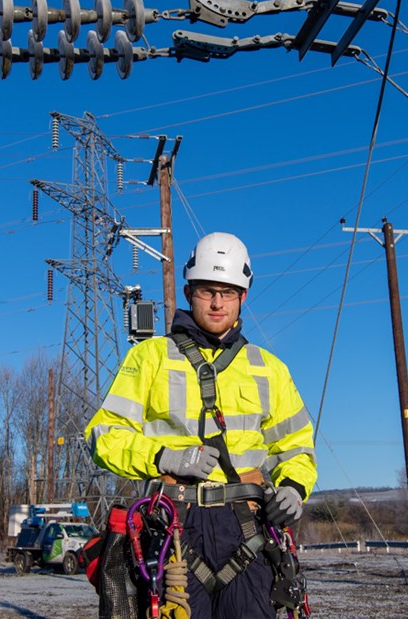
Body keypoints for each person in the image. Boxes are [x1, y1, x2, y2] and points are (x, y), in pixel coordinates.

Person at [85, 232, 317, 619]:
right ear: (189, 291)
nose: (216, 302)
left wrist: (293, 490)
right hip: (173, 523)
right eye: (207, 290)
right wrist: (163, 457)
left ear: (243, 296)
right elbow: (103, 435)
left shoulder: (269, 369)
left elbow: (296, 446)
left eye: (228, 292)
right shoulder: (150, 358)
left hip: (246, 526)